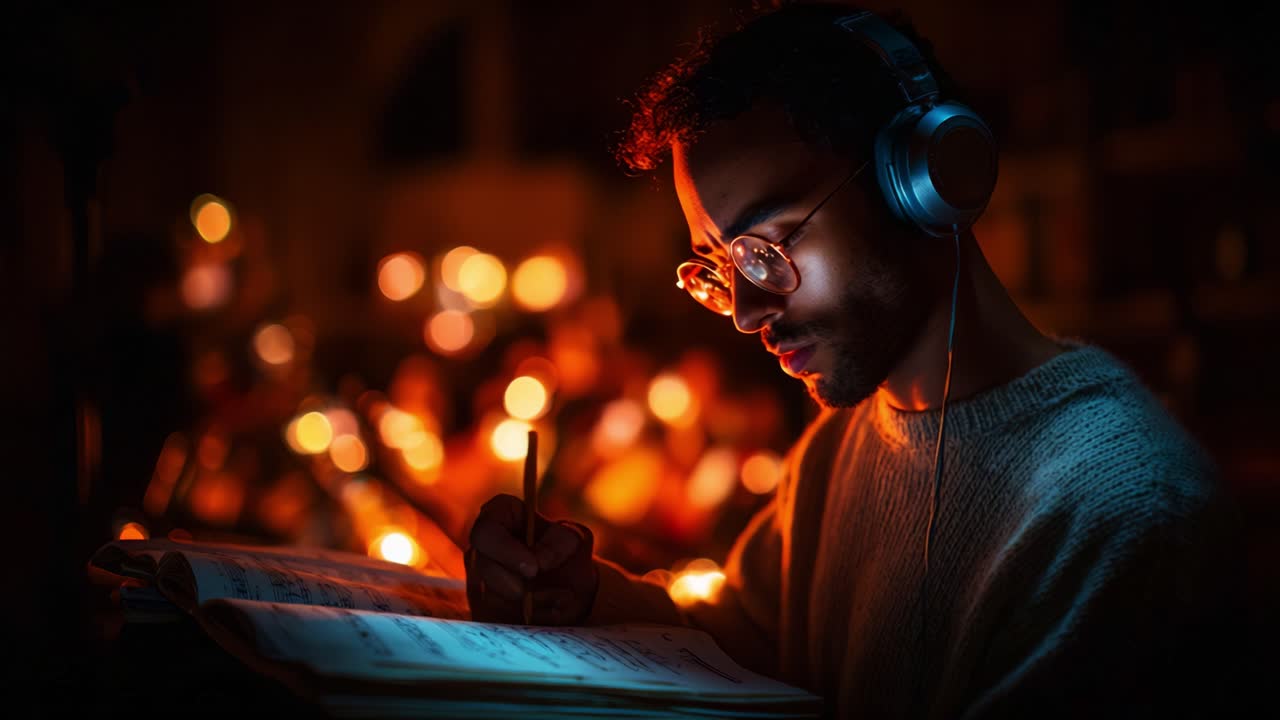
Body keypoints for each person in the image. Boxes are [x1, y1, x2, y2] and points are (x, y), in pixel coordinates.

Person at [466, 4, 1247, 717]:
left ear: (923, 181)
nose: (744, 312)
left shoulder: (1122, 518)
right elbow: (746, 632)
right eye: (716, 266)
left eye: (765, 247)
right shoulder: (838, 451)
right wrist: (586, 594)